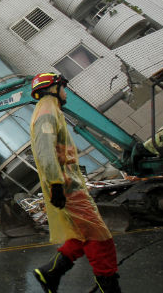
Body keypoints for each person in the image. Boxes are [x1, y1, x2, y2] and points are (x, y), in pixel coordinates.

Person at [29, 73, 121, 293]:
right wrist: (56, 184)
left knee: (82, 234)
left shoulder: (51, 109)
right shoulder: (46, 111)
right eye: (63, 87)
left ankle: (50, 273)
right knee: (100, 237)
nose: (65, 92)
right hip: (67, 186)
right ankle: (110, 286)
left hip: (69, 184)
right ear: (52, 88)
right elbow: (45, 152)